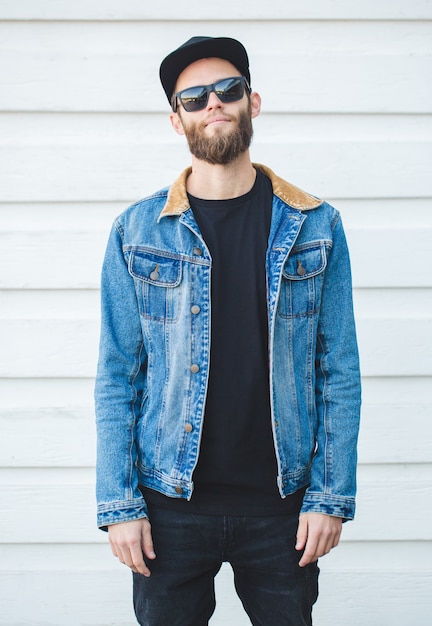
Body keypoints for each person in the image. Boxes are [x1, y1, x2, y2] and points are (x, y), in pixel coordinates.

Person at [95, 36, 361, 626]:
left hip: (283, 510)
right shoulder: (136, 231)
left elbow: (337, 368)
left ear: (253, 102)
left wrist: (329, 497)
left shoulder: (316, 225)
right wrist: (119, 505)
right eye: (194, 97)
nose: (212, 103)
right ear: (176, 119)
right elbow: (118, 376)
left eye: (228, 90)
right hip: (169, 506)